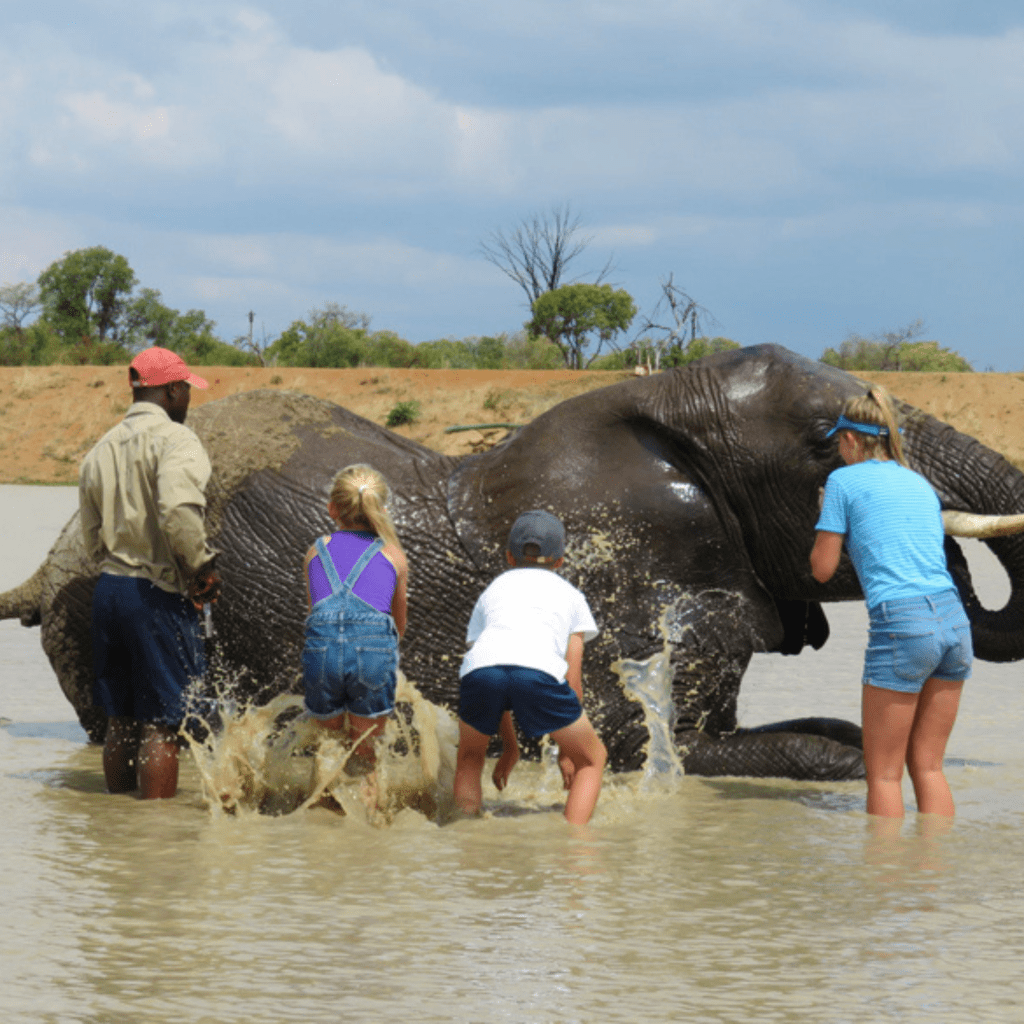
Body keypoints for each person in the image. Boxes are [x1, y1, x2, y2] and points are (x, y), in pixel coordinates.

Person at [810, 386, 972, 819]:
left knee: (883, 775)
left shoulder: (842, 481)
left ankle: (886, 885)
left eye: (839, 445)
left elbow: (822, 570)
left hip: (902, 625)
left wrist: (828, 518)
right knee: (930, 766)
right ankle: (932, 875)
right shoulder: (919, 483)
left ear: (849, 440)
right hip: (955, 624)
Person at [79, 346, 221, 799]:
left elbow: (91, 537)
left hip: (109, 591)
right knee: (163, 722)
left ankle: (119, 822)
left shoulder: (99, 448)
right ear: (173, 390)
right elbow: (178, 510)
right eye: (186, 391)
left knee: (120, 718)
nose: (188, 401)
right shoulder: (177, 441)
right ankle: (155, 837)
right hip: (155, 594)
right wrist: (200, 568)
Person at [454, 510, 608, 825]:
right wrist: (567, 752)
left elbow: (499, 671)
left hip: (480, 672)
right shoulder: (572, 596)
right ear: (561, 561)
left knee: (470, 759)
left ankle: (465, 841)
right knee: (592, 760)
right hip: (537, 674)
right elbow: (572, 676)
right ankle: (575, 848)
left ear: (509, 557)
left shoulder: (492, 590)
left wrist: (510, 747)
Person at [301, 464, 408, 767]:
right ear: (382, 509)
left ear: (331, 508)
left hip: (322, 654)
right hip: (372, 654)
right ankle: (368, 812)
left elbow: (315, 616)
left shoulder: (316, 551)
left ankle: (321, 811)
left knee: (328, 753)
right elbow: (398, 627)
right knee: (365, 756)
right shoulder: (393, 555)